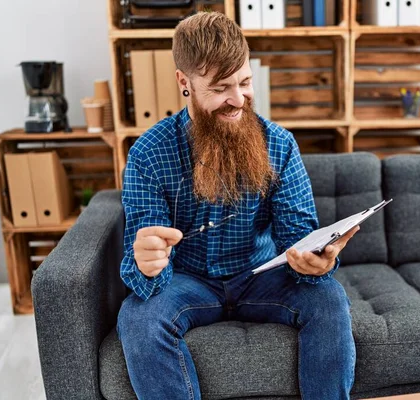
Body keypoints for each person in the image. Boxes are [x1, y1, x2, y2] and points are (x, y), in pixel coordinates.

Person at [117, 11, 359, 400]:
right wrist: (147, 263)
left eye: (245, 82)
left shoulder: (279, 144)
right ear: (185, 82)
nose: (237, 99)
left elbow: (299, 237)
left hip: (261, 274)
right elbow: (142, 261)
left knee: (328, 298)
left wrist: (317, 261)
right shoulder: (148, 152)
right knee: (137, 318)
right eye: (220, 88)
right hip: (187, 281)